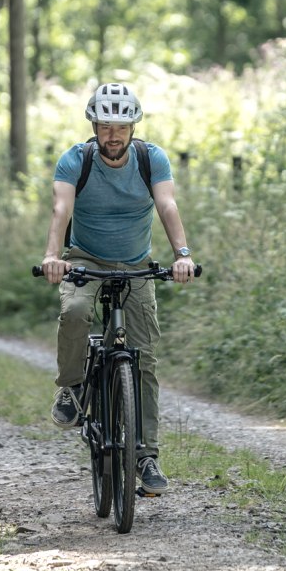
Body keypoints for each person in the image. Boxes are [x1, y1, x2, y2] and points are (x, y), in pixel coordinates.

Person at [39, 82, 197, 495]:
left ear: (132, 129)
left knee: (143, 359)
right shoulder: (76, 160)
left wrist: (182, 254)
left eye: (121, 127)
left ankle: (145, 457)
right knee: (75, 313)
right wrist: (53, 255)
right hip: (84, 259)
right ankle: (71, 390)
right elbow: (61, 208)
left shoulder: (151, 159)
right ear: (93, 125)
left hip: (137, 265)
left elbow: (167, 205)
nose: (113, 134)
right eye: (106, 125)